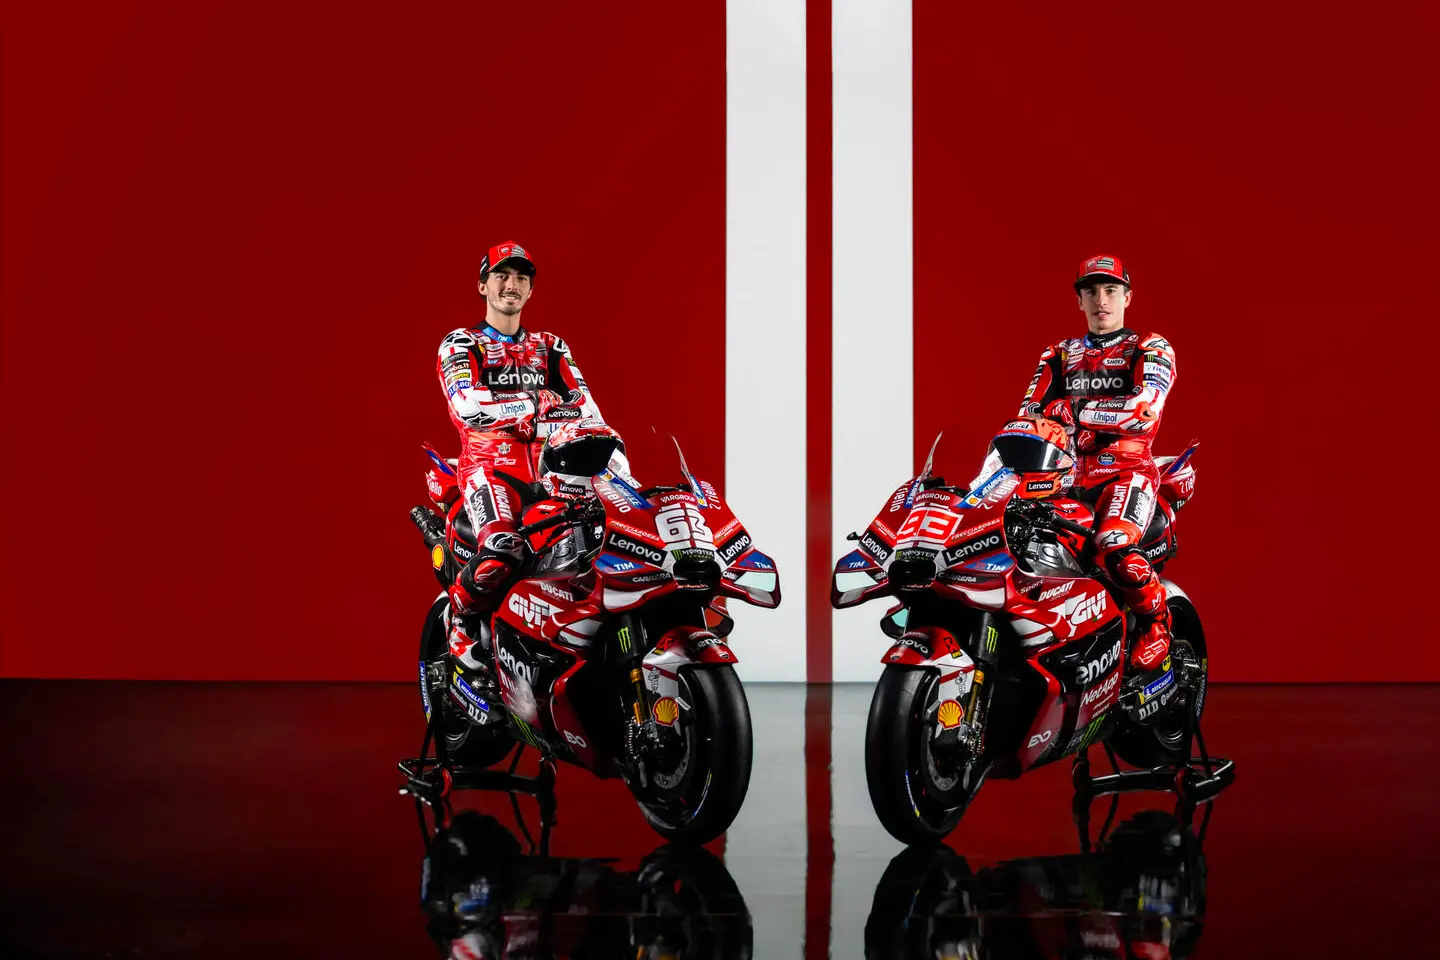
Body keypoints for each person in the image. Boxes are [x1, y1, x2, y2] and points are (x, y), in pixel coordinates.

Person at [437, 241, 602, 670]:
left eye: (521, 278)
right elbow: (469, 408)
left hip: (555, 470)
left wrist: (513, 407)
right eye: (502, 276)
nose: (511, 285)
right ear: (482, 285)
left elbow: (587, 409)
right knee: (501, 552)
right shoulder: (460, 343)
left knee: (600, 540)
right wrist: (537, 402)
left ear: (530, 290)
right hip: (489, 470)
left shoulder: (552, 346)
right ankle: (459, 623)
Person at [1018, 255, 1177, 700]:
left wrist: (1073, 410)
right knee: (1019, 544)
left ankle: (1157, 624)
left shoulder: (1150, 347)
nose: (1100, 300)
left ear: (1127, 296)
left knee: (1114, 545)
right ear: (1080, 301)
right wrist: (1089, 416)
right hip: (1062, 476)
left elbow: (1143, 412)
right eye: (1091, 291)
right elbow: (1029, 413)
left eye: (1110, 290)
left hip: (1128, 473)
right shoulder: (1058, 354)